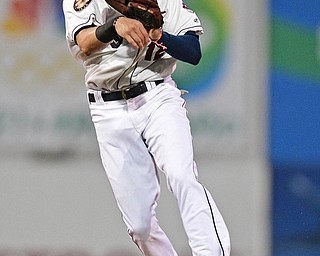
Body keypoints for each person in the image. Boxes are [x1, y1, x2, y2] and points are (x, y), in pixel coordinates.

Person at [63, 0, 230, 255]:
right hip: (108, 109)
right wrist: (115, 25)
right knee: (140, 227)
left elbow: (193, 52)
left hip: (156, 96)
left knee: (181, 174)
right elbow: (84, 41)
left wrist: (159, 34)